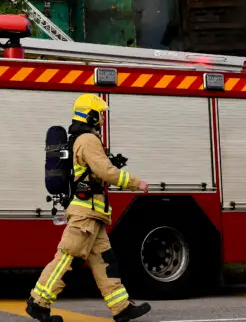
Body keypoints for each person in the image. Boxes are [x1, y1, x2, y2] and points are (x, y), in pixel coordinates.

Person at [28, 94, 152, 322]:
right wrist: (136, 182)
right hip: (85, 213)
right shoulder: (88, 139)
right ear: (90, 114)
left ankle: (121, 308)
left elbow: (95, 171)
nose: (102, 119)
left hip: (93, 214)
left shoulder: (82, 139)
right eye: (100, 114)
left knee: (105, 262)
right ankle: (38, 303)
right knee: (67, 259)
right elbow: (106, 172)